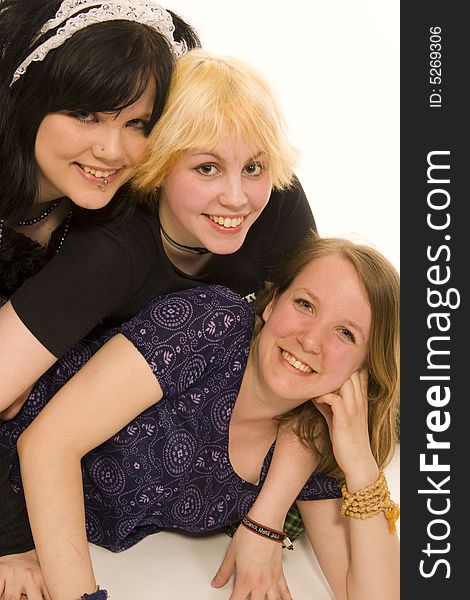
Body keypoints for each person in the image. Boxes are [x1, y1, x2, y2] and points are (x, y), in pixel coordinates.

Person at [0, 12, 312, 593]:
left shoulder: (275, 209)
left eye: (254, 167)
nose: (237, 196)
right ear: (163, 165)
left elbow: (318, 351)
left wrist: (266, 519)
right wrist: (11, 538)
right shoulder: (111, 249)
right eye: (206, 168)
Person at [1, 232, 401, 600]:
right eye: (305, 304)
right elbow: (47, 443)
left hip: (60, 546)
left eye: (346, 333)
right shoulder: (213, 325)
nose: (311, 340)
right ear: (274, 302)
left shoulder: (313, 434)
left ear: (363, 370)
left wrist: (360, 464)